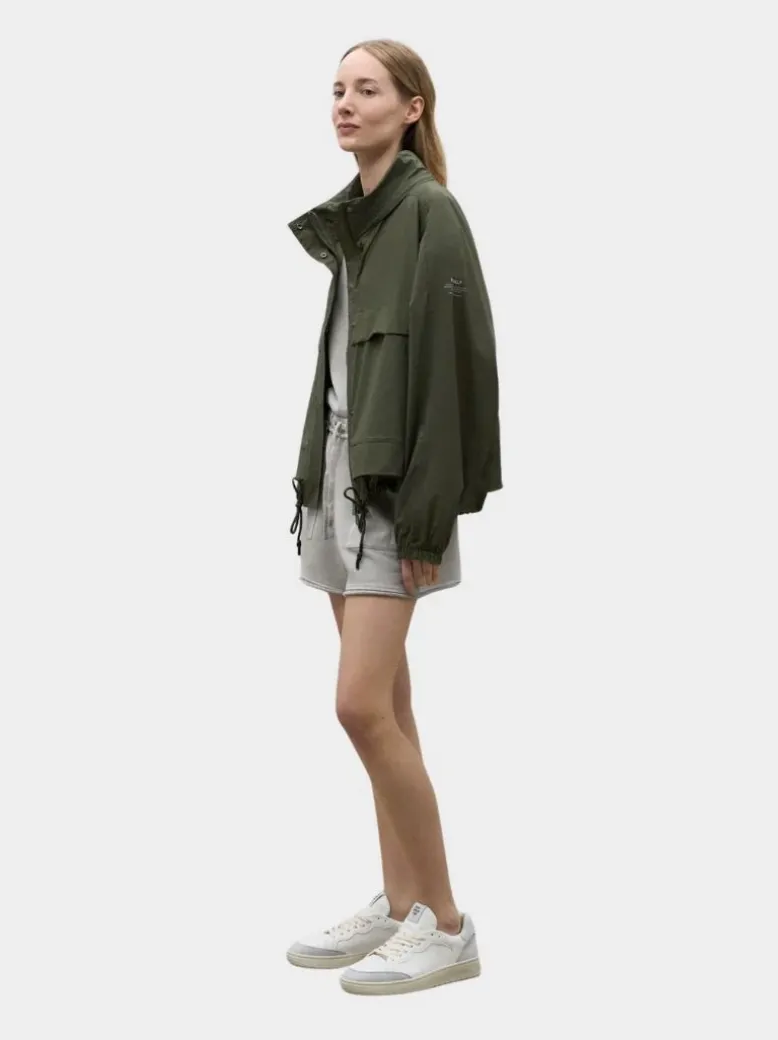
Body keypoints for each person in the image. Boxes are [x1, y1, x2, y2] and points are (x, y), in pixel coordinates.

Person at [284, 39, 502, 996]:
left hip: (393, 495)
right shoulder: (359, 223)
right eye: (337, 89)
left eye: (366, 89)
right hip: (337, 484)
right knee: (392, 707)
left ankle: (446, 925)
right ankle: (403, 897)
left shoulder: (428, 213)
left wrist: (424, 518)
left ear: (412, 108)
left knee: (359, 705)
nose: (345, 103)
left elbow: (458, 376)